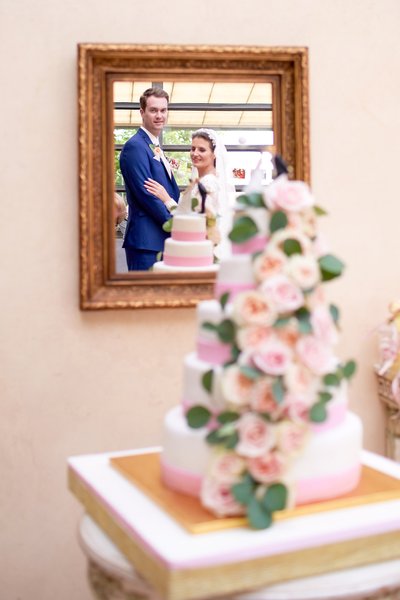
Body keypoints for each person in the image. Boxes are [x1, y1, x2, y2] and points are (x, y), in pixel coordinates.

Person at [144, 128, 234, 257]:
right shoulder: (201, 181)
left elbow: (195, 222)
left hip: (203, 250)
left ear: (214, 154)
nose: (195, 153)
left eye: (202, 150)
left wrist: (166, 199)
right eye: (193, 148)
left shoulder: (208, 183)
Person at [119, 87, 180, 270]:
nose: (159, 115)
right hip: (146, 243)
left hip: (160, 241)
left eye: (163, 110)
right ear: (142, 112)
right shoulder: (135, 147)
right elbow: (147, 195)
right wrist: (175, 225)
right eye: (154, 110)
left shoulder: (153, 146)